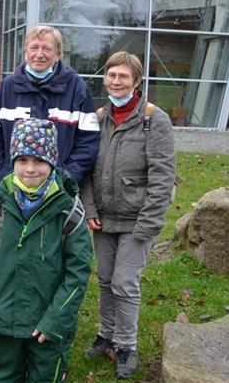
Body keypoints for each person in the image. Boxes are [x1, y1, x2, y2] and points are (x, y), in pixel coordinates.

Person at [0, 118, 91, 382]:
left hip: (48, 326)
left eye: (39, 161)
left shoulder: (68, 210)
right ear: (12, 162)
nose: (30, 169)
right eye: (22, 160)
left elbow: (78, 274)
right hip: (4, 322)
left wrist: (54, 320)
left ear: (52, 162)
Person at [81, 51, 175, 379]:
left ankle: (126, 346)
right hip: (103, 218)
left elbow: (163, 176)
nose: (116, 81)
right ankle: (106, 335)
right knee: (105, 280)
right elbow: (86, 170)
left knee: (124, 282)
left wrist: (149, 223)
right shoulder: (98, 117)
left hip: (137, 219)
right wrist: (90, 208)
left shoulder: (154, 119)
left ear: (136, 82)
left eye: (123, 76)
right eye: (111, 75)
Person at [0, 25, 100, 185]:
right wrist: (1, 176)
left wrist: (66, 180)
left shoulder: (77, 89)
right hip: (12, 187)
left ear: (58, 55)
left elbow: (88, 141)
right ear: (25, 53)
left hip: (59, 191)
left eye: (47, 49)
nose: (39, 54)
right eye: (34, 47)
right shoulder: (6, 88)